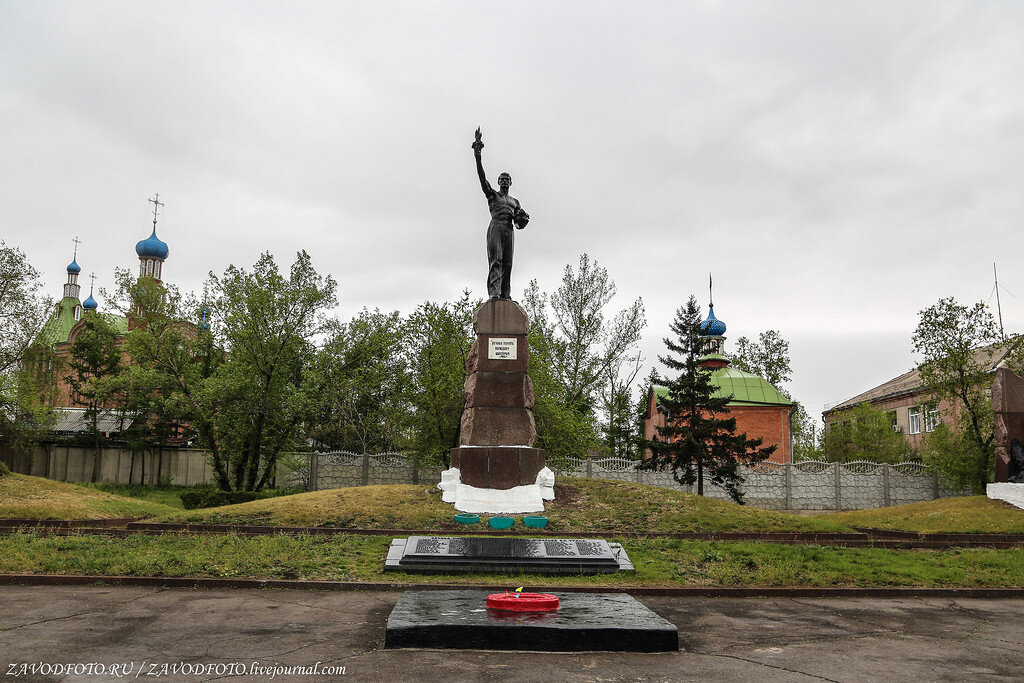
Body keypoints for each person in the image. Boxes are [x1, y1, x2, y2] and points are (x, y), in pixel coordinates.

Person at [472, 128, 529, 300]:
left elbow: (520, 223)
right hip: (496, 227)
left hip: (508, 230)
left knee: (508, 263)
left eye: (507, 179)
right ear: (498, 182)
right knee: (495, 260)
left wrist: (523, 218)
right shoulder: (493, 195)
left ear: (511, 182)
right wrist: (477, 155)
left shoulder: (515, 202)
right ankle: (494, 294)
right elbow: (482, 178)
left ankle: (505, 293)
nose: (504, 181)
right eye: (502, 179)